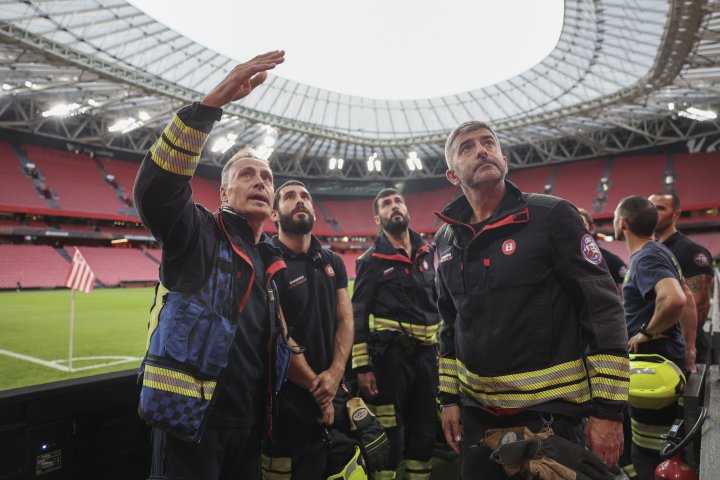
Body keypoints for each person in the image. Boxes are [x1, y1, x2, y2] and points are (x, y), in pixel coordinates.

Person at [134, 50, 317, 480]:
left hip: (251, 426)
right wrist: (208, 108)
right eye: (248, 175)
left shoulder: (269, 259)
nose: (260, 181)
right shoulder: (200, 233)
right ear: (223, 193)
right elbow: (155, 192)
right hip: (190, 425)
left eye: (267, 178)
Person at [435, 121, 629, 479]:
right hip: (478, 419)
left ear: (504, 159)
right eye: (467, 147)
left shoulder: (552, 217)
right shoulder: (446, 240)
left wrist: (609, 412)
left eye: (489, 142)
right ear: (452, 175)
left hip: (550, 418)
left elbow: (602, 311)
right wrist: (448, 399)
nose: (482, 150)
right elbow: (450, 325)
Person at [262, 180, 357, 479]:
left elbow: (345, 320)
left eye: (305, 196)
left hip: (332, 387)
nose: (300, 200)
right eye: (289, 196)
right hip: (286, 402)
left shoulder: (332, 260)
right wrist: (321, 392)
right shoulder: (265, 259)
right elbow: (278, 336)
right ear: (274, 214)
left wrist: (335, 374)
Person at [351, 188, 439, 480]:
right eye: (386, 204)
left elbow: (437, 306)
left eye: (398, 201)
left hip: (427, 359)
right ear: (378, 218)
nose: (394, 206)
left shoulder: (428, 253)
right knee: (390, 431)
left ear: (407, 209)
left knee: (424, 427)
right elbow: (358, 315)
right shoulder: (370, 260)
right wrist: (362, 367)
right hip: (390, 359)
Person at [613, 195, 695, 480]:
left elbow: (675, 299)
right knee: (668, 447)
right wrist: (691, 348)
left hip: (653, 368)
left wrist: (644, 333)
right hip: (666, 359)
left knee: (650, 452)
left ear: (622, 223)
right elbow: (690, 298)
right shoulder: (660, 251)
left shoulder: (646, 257)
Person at [649, 192, 714, 366]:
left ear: (675, 214)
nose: (653, 213)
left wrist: (684, 348)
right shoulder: (648, 250)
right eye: (650, 208)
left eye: (660, 208)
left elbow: (700, 304)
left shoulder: (691, 251)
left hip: (680, 352)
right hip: (656, 347)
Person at [578, 207, 628, 292]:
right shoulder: (559, 259)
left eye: (582, 223)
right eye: (573, 224)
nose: (577, 228)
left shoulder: (612, 261)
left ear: (592, 228)